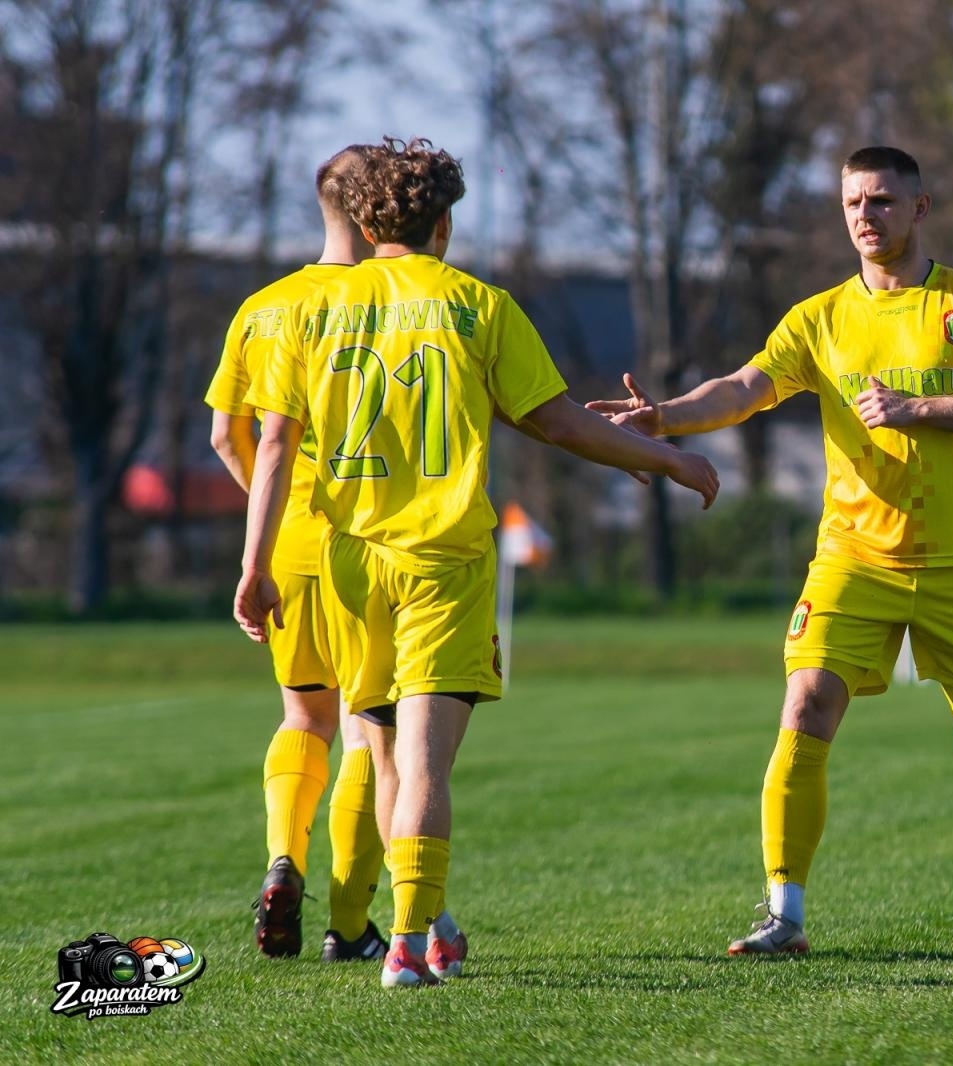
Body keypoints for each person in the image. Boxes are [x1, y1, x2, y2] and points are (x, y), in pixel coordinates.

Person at [233, 136, 720, 988]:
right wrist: (668, 458)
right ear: (445, 225)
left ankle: (425, 927)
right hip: (443, 563)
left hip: (349, 565)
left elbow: (270, 442)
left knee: (385, 756)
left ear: (367, 223)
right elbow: (557, 420)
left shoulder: (313, 310)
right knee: (424, 760)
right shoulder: (476, 306)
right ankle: (408, 943)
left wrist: (254, 563)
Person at [588, 146, 953, 955]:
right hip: (853, 557)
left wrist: (918, 409)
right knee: (803, 708)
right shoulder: (820, 317)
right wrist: (666, 418)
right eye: (853, 203)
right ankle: (784, 913)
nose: (866, 216)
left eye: (882, 201)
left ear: (919, 207)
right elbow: (744, 387)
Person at [205, 144, 389, 963]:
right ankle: (349, 923)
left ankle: (285, 857)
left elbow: (226, 435)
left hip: (289, 546)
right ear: (378, 210)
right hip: (374, 542)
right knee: (368, 731)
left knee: (303, 716)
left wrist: (271, 519)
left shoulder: (265, 306)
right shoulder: (391, 300)